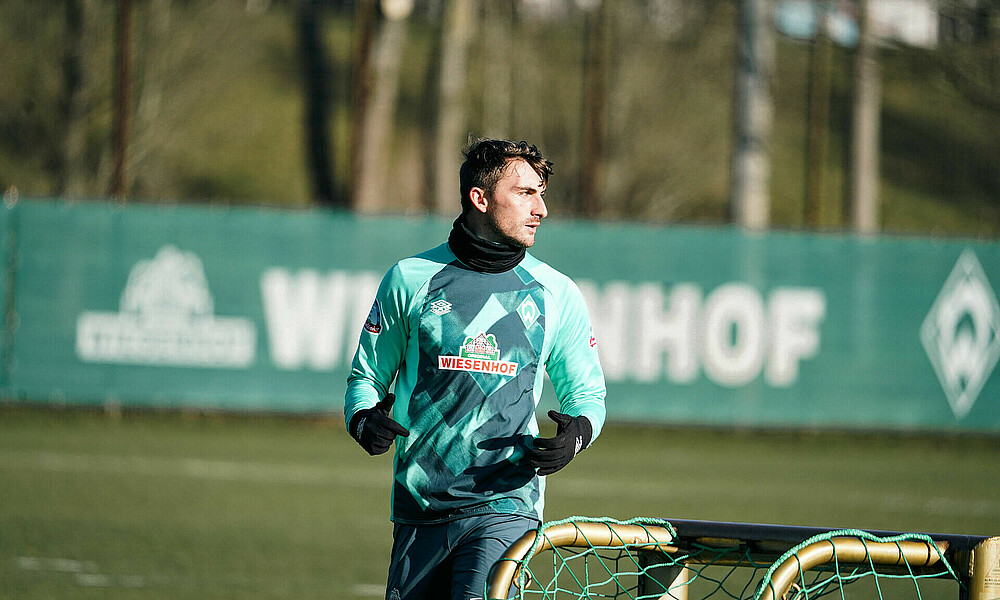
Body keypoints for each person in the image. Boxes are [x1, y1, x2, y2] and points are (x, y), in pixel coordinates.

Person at [344, 138, 607, 600]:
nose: (541, 209)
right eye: (525, 193)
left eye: (541, 193)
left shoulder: (557, 293)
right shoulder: (409, 278)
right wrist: (363, 419)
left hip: (506, 504)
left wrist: (576, 435)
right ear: (480, 199)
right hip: (419, 508)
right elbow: (366, 378)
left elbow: (587, 395)